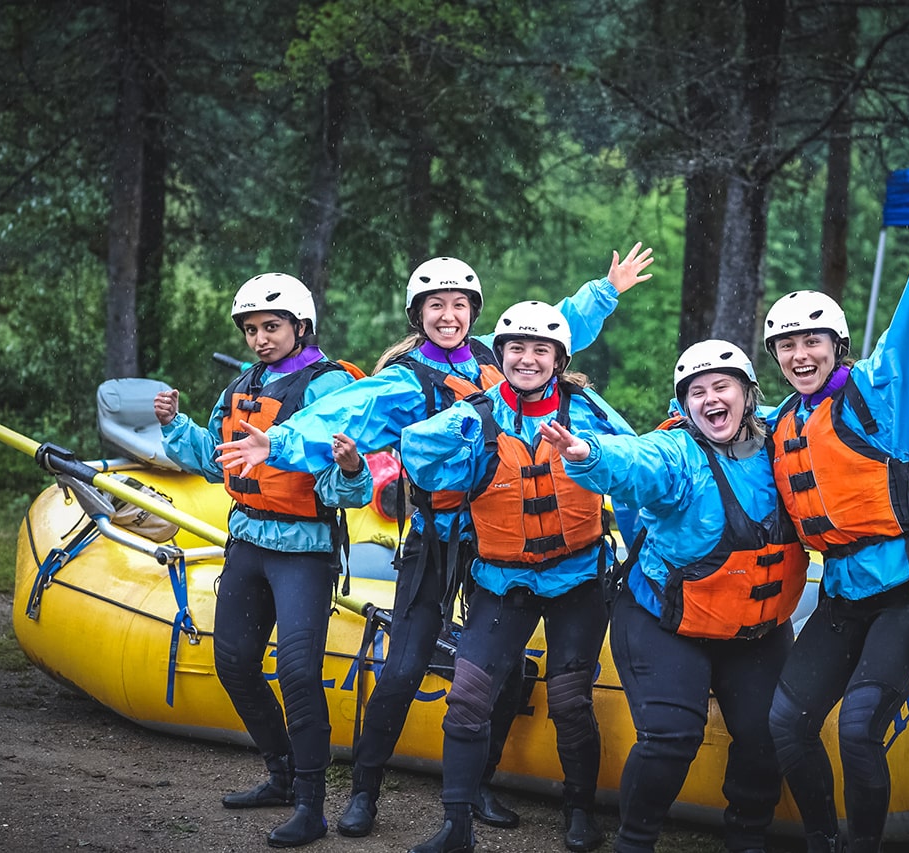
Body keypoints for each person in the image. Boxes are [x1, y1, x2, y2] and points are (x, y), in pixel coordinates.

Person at [215, 247, 654, 840]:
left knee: (491, 672)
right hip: (433, 538)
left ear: (474, 311)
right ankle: (364, 792)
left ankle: (477, 791)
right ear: (416, 313)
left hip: (491, 544)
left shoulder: (494, 359)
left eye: (458, 305)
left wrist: (606, 290)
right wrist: (284, 444)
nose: (447, 316)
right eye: (434, 306)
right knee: (402, 669)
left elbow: (555, 331)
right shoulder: (402, 378)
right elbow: (349, 409)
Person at [542, 340, 808, 853]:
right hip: (665, 621)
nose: (710, 399)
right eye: (697, 392)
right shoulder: (677, 452)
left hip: (753, 626)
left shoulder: (784, 440)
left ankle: (748, 836)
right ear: (684, 407)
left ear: (748, 395)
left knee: (769, 734)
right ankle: (634, 841)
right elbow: (635, 460)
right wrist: (588, 454)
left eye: (721, 386)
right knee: (672, 736)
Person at [762, 199, 909, 853]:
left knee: (855, 728)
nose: (799, 355)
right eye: (786, 345)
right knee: (787, 722)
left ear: (836, 345)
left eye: (811, 342)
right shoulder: (781, 420)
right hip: (845, 596)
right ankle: (823, 838)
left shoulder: (881, 394)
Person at [399, 300, 636, 853]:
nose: (527, 359)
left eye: (540, 350)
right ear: (499, 354)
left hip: (577, 579)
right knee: (467, 700)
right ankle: (456, 823)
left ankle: (579, 811)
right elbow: (421, 456)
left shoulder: (587, 410)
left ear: (558, 358)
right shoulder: (475, 414)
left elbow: (632, 466)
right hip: (501, 580)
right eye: (516, 349)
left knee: (572, 700)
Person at [154, 272, 373, 849]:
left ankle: (311, 804)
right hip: (249, 543)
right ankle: (278, 774)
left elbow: (352, 487)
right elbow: (213, 460)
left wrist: (351, 470)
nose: (259, 338)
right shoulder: (243, 386)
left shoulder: (331, 387)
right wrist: (175, 427)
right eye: (251, 329)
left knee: (298, 672)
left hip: (304, 550)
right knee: (234, 663)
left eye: (271, 327)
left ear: (302, 327)